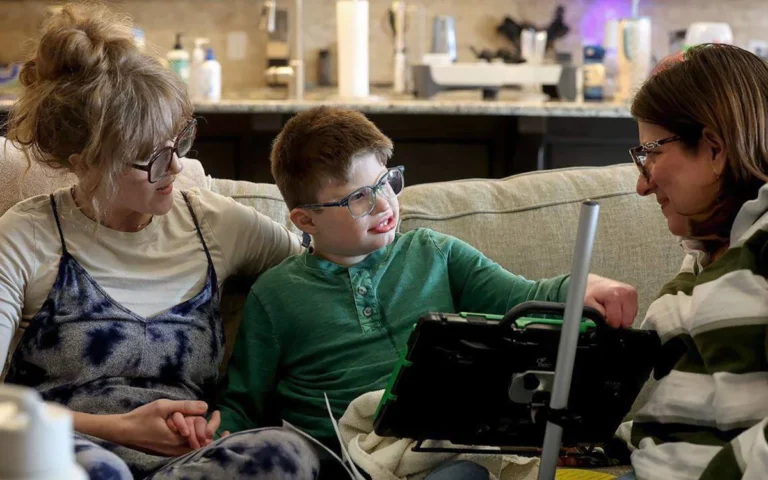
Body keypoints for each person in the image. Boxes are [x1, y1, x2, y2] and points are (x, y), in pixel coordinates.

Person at [217, 106, 639, 478]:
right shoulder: (275, 293)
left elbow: (521, 298)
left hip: (439, 451)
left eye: (386, 182)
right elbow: (245, 402)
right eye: (359, 198)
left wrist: (583, 288)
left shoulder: (435, 252)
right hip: (338, 459)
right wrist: (214, 431)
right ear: (306, 221)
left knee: (467, 471)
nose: (383, 204)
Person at [0, 4, 319, 479]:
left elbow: (319, 267)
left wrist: (232, 413)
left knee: (286, 452)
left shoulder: (214, 223)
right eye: (150, 157)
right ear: (85, 163)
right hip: (72, 455)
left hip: (187, 464)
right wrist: (118, 429)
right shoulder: (26, 235)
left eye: (177, 143)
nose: (175, 167)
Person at [623, 44, 768, 480]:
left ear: (714, 149)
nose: (642, 185)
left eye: (651, 153)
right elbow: (692, 411)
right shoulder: (707, 251)